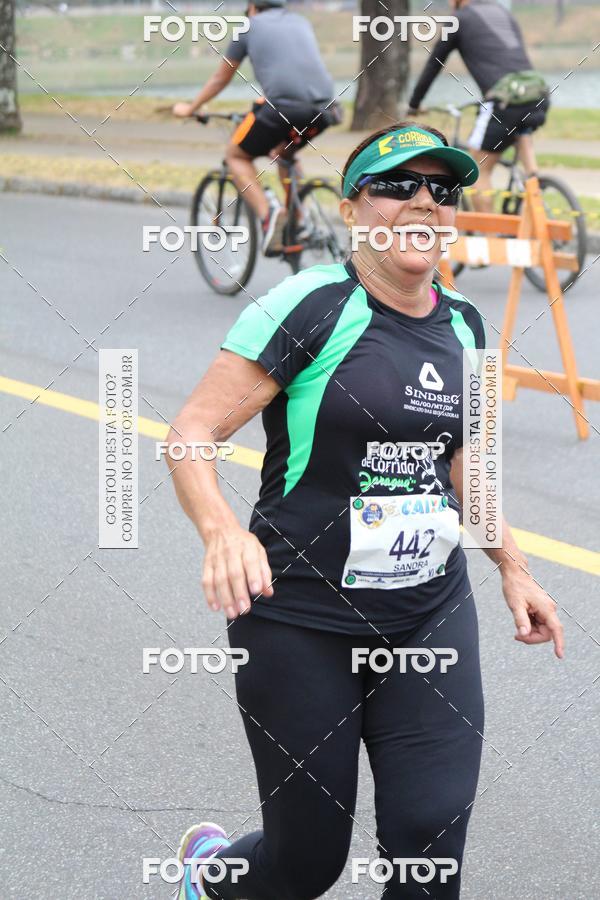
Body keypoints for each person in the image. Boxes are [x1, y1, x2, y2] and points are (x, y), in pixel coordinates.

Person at [166, 122, 564, 899]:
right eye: (397, 185)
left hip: (427, 612)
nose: (423, 202)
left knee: (430, 840)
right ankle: (211, 875)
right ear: (353, 208)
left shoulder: (467, 327)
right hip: (298, 616)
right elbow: (191, 434)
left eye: (443, 190)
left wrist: (514, 569)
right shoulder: (310, 308)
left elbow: (464, 464)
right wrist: (220, 531)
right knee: (306, 863)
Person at [173, 0, 339, 255]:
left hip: (284, 108)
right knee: (285, 154)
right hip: (327, 110)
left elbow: (221, 77)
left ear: (252, 7)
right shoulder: (301, 22)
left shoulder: (248, 27)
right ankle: (300, 221)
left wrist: (191, 108)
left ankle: (269, 216)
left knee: (236, 155)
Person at [408, 0, 549, 212]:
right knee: (520, 133)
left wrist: (414, 103)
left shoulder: (458, 20)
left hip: (504, 101)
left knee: (478, 168)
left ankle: (489, 236)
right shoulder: (501, 11)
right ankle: (534, 183)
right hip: (537, 93)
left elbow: (434, 64)